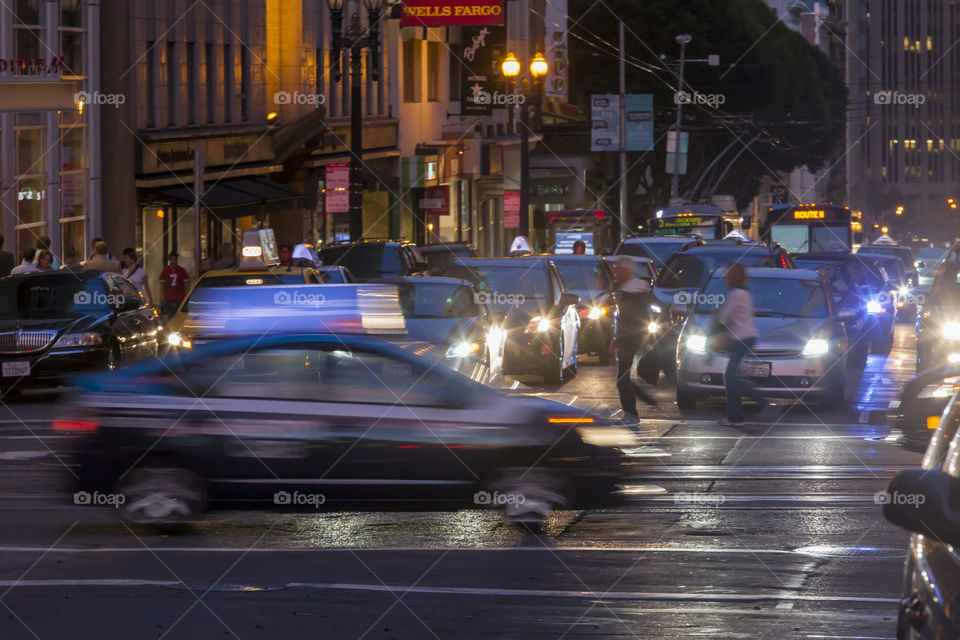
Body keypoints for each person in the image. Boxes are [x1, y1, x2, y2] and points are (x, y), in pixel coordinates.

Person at [715, 263, 767, 426]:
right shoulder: (745, 293)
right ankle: (735, 417)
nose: (725, 278)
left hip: (741, 338)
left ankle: (761, 400)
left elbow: (724, 317)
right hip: (746, 337)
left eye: (727, 275)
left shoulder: (735, 294)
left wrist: (716, 328)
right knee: (731, 377)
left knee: (731, 375)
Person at [611, 255, 657, 420]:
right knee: (624, 376)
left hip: (630, 337)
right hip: (632, 336)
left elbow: (628, 318)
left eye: (617, 268)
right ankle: (636, 406)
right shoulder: (634, 289)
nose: (614, 271)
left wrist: (620, 339)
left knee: (622, 378)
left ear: (625, 271)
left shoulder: (631, 291)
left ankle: (632, 412)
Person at [158, 252, 189, 318]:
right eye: (172, 259)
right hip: (168, 297)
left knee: (178, 316)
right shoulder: (165, 270)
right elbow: (162, 285)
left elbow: (186, 284)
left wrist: (186, 296)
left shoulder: (181, 270)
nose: (173, 261)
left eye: (175, 259)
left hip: (179, 297)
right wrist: (161, 296)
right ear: (170, 260)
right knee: (169, 316)